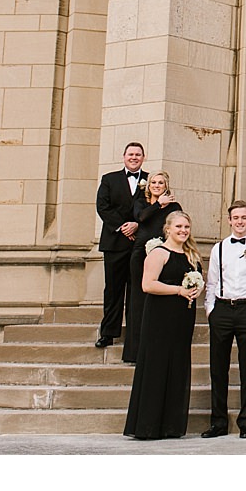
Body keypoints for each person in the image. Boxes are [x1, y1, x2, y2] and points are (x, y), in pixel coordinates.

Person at [123, 209, 203, 440]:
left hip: (183, 316)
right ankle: (148, 425)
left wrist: (198, 288)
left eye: (186, 227)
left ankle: (171, 425)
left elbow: (199, 279)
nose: (183, 231)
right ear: (167, 229)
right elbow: (147, 285)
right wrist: (179, 290)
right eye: (178, 227)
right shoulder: (159, 253)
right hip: (160, 316)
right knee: (156, 366)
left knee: (177, 364)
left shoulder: (192, 255)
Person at [202, 201, 246, 439]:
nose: (240, 221)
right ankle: (218, 422)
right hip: (221, 309)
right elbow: (211, 282)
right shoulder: (218, 248)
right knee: (218, 368)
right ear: (229, 220)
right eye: (236, 217)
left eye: (244, 217)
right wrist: (210, 310)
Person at [123, 169, 181, 363]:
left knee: (156, 301)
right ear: (149, 186)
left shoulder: (174, 206)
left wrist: (164, 205)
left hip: (162, 254)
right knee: (138, 302)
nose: (157, 186)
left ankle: (154, 350)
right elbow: (141, 218)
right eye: (154, 183)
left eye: (161, 183)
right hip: (140, 255)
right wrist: (158, 204)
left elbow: (176, 225)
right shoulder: (141, 202)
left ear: (166, 186)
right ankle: (134, 352)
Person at [96, 142, 148, 349]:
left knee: (136, 291)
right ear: (123, 156)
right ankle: (108, 333)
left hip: (140, 244)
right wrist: (122, 226)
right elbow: (103, 207)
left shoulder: (151, 180)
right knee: (113, 290)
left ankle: (135, 337)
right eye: (131, 154)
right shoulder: (109, 179)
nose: (134, 157)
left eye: (138, 154)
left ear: (143, 157)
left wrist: (137, 224)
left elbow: (155, 208)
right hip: (114, 243)